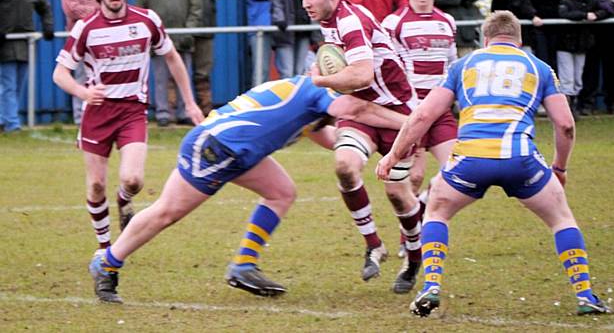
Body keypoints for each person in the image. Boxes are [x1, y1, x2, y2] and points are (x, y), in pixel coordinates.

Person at [87, 75, 409, 303]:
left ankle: (243, 265)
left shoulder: (308, 99)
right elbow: (358, 111)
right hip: (218, 146)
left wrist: (375, 145)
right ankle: (107, 263)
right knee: (166, 213)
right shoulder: (318, 88)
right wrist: (412, 123)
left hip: (236, 149)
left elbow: (336, 139)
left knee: (282, 191)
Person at [377, 10, 612, 318]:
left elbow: (422, 116)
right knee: (561, 218)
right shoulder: (538, 67)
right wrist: (560, 168)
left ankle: (430, 286)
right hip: (521, 160)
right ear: (519, 40)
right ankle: (585, 295)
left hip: (470, 160)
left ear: (484, 40)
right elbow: (565, 125)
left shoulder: (463, 65)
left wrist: (393, 156)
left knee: (437, 210)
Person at [52, 0, 204, 254]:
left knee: (133, 180)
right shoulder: (86, 28)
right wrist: (84, 91)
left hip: (132, 110)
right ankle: (104, 248)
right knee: (96, 186)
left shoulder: (147, 20)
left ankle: (124, 199)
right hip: (97, 113)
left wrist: (190, 102)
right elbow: (60, 73)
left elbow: (172, 58)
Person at [299, 0, 422, 290]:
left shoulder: (349, 20)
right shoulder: (331, 22)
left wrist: (322, 81)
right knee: (344, 165)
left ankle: (413, 259)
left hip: (397, 111)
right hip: (363, 112)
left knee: (398, 194)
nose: (305, 4)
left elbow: (362, 74)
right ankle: (374, 244)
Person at [381, 0, 458, 290]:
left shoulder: (447, 22)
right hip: (411, 112)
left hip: (440, 110)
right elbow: (392, 70)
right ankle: (409, 240)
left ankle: (424, 206)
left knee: (457, 171)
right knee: (411, 177)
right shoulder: (394, 23)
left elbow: (453, 65)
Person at [137, 0, 202, 126]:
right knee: (160, 78)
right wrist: (151, 34)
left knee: (184, 75)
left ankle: (184, 112)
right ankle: (163, 113)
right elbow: (141, 9)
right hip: (158, 40)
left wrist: (188, 30)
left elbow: (195, 7)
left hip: (183, 39)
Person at [0, 0, 54, 132]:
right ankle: (12, 124)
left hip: (25, 44)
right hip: (5, 43)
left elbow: (45, 8)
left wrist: (48, 27)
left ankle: (4, 118)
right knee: (8, 84)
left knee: (18, 85)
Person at [175, 0, 225, 116]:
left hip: (206, 25)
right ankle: (180, 112)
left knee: (203, 71)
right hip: (186, 26)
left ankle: (205, 109)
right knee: (182, 71)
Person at [557, 0, 610, 117]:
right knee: (567, 77)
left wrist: (597, 15)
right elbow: (564, 14)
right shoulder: (565, 0)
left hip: (582, 44)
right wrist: (585, 16)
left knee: (578, 78)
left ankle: (575, 103)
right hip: (565, 45)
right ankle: (567, 108)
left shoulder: (591, 0)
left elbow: (608, 9)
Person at [61, 0, 99, 125]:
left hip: (100, 35)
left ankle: (98, 113)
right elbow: (71, 9)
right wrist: (94, 11)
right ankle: (80, 116)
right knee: (81, 76)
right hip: (79, 38)